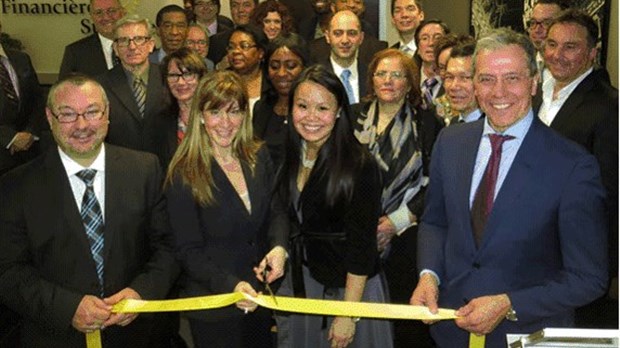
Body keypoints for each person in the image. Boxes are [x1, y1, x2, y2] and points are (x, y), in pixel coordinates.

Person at [410, 28, 608, 347]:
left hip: (525, 335)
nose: (498, 92)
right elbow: (435, 221)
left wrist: (509, 303)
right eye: (487, 79)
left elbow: (589, 278)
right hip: (450, 329)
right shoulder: (451, 142)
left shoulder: (573, 166)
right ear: (475, 84)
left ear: (533, 82)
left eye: (512, 78)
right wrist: (429, 275)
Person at [0, 74, 179, 348]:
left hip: (138, 335)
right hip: (55, 336)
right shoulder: (16, 186)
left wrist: (141, 292)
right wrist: (68, 307)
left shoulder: (145, 170)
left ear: (107, 114)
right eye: (68, 114)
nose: (82, 125)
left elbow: (169, 247)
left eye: (92, 112)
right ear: (49, 117)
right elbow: (8, 271)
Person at [164, 70, 288, 348]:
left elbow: (276, 211)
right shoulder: (183, 173)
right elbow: (187, 251)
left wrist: (279, 248)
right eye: (215, 112)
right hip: (214, 308)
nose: (225, 123)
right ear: (200, 116)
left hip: (260, 298)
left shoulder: (259, 154)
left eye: (234, 112)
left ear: (245, 115)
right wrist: (230, 285)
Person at [277, 64, 392, 348]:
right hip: (303, 283)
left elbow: (362, 245)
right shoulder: (288, 154)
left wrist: (348, 315)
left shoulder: (360, 164)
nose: (311, 118)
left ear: (339, 110)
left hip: (349, 290)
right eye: (302, 106)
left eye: (322, 108)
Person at [351, 48, 442, 348]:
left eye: (397, 75)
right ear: (371, 79)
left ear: (410, 82)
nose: (388, 81)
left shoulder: (428, 123)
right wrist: (364, 225)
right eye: (381, 74)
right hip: (354, 237)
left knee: (404, 328)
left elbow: (437, 185)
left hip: (406, 239)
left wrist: (393, 223)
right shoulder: (351, 117)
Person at [537, 9, 618, 328]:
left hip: (577, 260)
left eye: (570, 47)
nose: (557, 55)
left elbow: (610, 193)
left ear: (593, 52)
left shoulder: (610, 108)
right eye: (552, 44)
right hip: (531, 254)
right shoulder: (533, 94)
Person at [98, 15, 172, 153]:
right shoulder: (100, 85)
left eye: (139, 39)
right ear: (115, 48)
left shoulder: (170, 78)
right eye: (124, 40)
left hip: (166, 165)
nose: (132, 46)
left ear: (151, 45)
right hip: (122, 167)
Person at [253, 33, 308, 168]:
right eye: (275, 66)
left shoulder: (311, 110)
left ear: (304, 68)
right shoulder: (261, 107)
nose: (282, 73)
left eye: (290, 66)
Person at [147, 47, 208, 169]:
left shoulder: (215, 116)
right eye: (174, 75)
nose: (180, 82)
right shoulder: (158, 121)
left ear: (201, 77)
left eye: (187, 74)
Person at [0, 20, 46, 175]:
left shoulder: (21, 59)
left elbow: (38, 99)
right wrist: (11, 138)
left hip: (30, 153)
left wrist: (30, 133)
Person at [59, 0, 126, 78]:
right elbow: (64, 89)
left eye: (111, 11)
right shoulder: (75, 53)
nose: (106, 17)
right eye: (98, 12)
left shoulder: (140, 45)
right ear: (91, 17)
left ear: (123, 13)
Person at [225, 25, 269, 115]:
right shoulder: (219, 80)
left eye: (244, 46)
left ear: (260, 53)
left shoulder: (272, 83)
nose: (236, 51)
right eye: (231, 47)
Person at [525, 0, 569, 76]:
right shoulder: (525, 69)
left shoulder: (575, 69)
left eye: (546, 23)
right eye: (533, 23)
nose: (537, 30)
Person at [208, 0, 259, 65]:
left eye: (246, 5)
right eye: (235, 5)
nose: (240, 10)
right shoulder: (216, 41)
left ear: (256, 8)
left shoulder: (264, 38)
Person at [443, 42, 481, 125]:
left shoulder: (493, 129)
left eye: (464, 78)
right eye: (449, 77)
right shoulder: (451, 127)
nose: (454, 86)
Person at [414, 19, 449, 109]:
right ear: (418, 48)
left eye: (437, 38)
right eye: (425, 38)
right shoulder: (408, 81)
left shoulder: (454, 81)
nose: (431, 43)